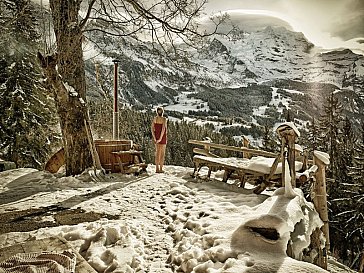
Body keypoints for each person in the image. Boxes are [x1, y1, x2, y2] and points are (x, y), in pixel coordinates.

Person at [151, 107, 167, 173]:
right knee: (162, 153)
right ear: (162, 112)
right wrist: (160, 138)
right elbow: (163, 129)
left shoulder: (155, 119)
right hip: (162, 138)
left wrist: (155, 138)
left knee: (157, 153)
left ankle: (157, 168)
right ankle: (160, 169)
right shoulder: (164, 119)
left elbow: (152, 129)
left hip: (156, 137)